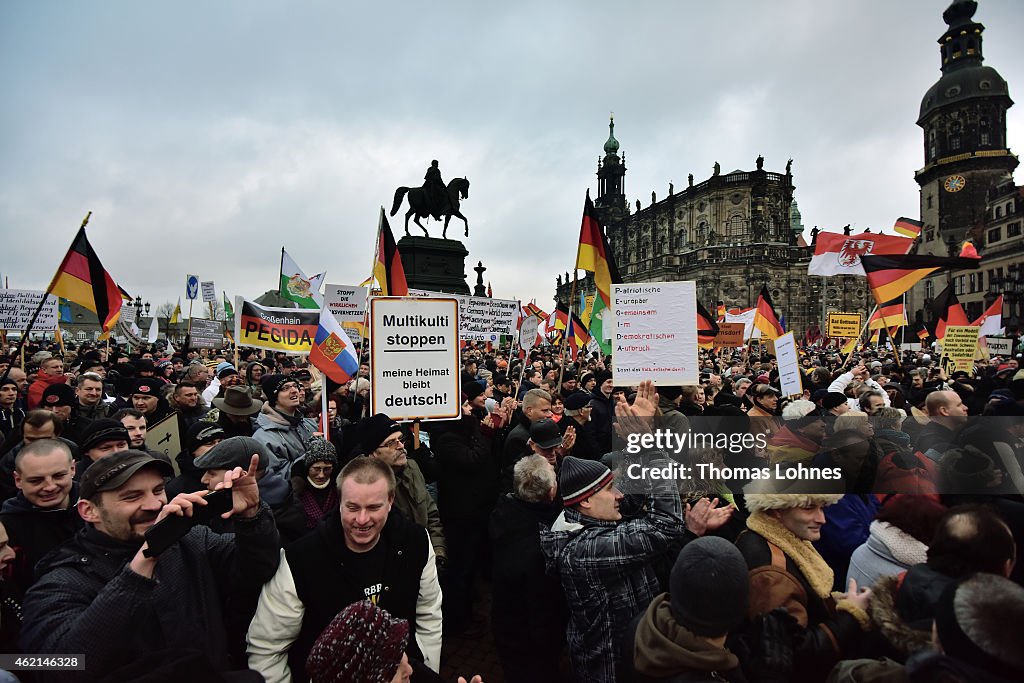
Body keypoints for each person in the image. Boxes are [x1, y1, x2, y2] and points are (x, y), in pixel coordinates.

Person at [20, 449, 280, 679]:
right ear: (89, 511)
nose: (155, 504)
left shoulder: (189, 541)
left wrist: (251, 516)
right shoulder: (62, 579)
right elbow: (58, 668)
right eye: (132, 497)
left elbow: (257, 569)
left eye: (158, 490)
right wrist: (143, 563)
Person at [540, 381, 733, 683]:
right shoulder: (583, 550)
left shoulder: (599, 521)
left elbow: (634, 499)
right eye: (609, 490)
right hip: (612, 669)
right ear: (586, 501)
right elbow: (664, 524)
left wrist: (640, 439)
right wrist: (648, 445)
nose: (619, 495)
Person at [247, 456, 443, 683]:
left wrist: (427, 674)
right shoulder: (300, 559)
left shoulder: (416, 542)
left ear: (390, 501)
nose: (362, 519)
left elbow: (429, 614)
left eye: (373, 507)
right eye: (352, 507)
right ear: (339, 501)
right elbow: (267, 649)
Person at [735, 484, 871, 683]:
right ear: (777, 510)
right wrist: (850, 616)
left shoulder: (764, 535)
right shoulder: (772, 574)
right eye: (808, 508)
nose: (822, 519)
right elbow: (794, 652)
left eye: (822, 507)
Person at [490, 454, 565, 683]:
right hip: (532, 635)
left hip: (504, 622)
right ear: (551, 493)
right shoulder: (543, 540)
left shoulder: (501, 513)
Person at [353, 414, 446, 573]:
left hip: (426, 563)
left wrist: (437, 552)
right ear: (373, 453)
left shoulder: (412, 467)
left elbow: (431, 514)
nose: (400, 446)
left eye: (401, 440)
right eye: (390, 443)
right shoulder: (362, 484)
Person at [0, 439, 83, 592]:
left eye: (58, 476)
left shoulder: (98, 505)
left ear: (73, 469)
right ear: (18, 480)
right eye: (36, 480)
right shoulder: (7, 526)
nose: (50, 487)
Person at [254, 374, 318, 478]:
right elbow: (274, 478)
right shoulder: (264, 438)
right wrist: (312, 456)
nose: (294, 390)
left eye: (295, 386)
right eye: (285, 388)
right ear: (274, 397)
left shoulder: (310, 424)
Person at [290, 436, 339, 530]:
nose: (321, 475)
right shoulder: (295, 492)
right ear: (308, 467)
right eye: (316, 469)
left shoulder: (339, 491)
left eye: (327, 469)